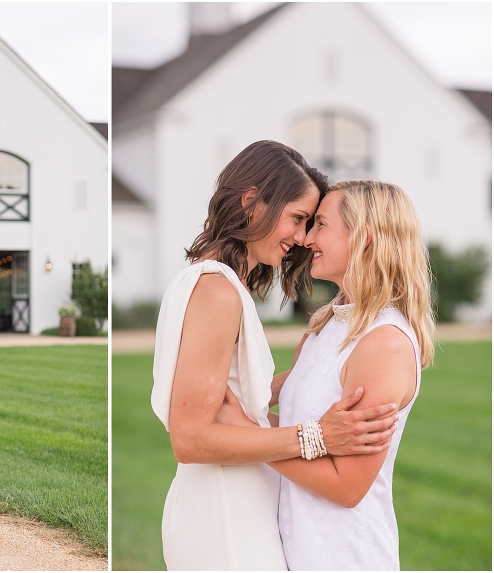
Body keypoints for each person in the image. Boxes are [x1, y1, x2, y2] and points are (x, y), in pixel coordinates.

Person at [151, 141, 399, 570]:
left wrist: (293, 380)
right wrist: (317, 436)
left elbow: (224, 395)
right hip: (224, 507)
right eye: (299, 219)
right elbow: (189, 438)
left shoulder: (213, 283)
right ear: (251, 201)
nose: (302, 239)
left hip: (231, 497)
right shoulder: (217, 291)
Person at [259, 180, 434, 569]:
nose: (306, 238)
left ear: (364, 237)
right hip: (296, 550)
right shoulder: (327, 325)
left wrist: (250, 435)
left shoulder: (383, 344)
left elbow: (347, 485)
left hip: (344, 556)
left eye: (320, 224)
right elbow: (294, 427)